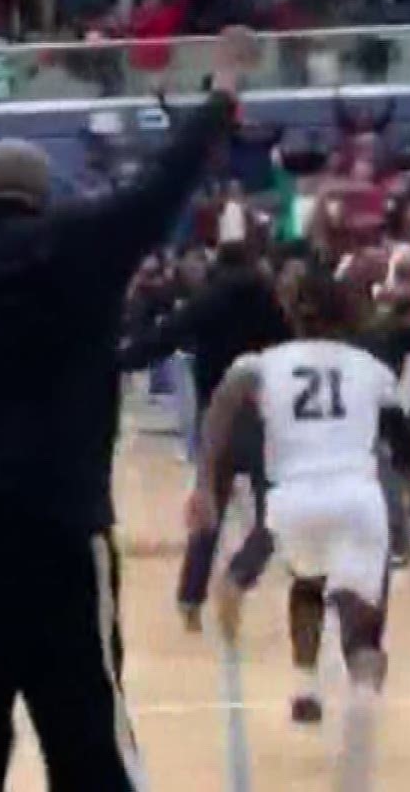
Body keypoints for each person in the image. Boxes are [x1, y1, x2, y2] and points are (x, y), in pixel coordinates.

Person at [0, 34, 245, 792]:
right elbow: (163, 182)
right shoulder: (81, 245)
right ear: (44, 199)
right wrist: (221, 92)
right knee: (88, 751)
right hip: (52, 536)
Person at [190, 271, 403, 791]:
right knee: (361, 623)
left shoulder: (260, 364)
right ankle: (364, 691)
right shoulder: (372, 368)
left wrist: (204, 484)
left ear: (292, 313)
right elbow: (408, 434)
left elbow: (222, 405)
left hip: (293, 503)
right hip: (358, 498)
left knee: (307, 585)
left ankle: (307, 687)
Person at [122, 239, 291, 629]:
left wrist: (118, 361)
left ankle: (190, 600)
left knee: (208, 509)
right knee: (273, 514)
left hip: (215, 418)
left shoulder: (207, 300)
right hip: (261, 416)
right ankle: (240, 574)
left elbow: (163, 339)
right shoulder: (271, 303)